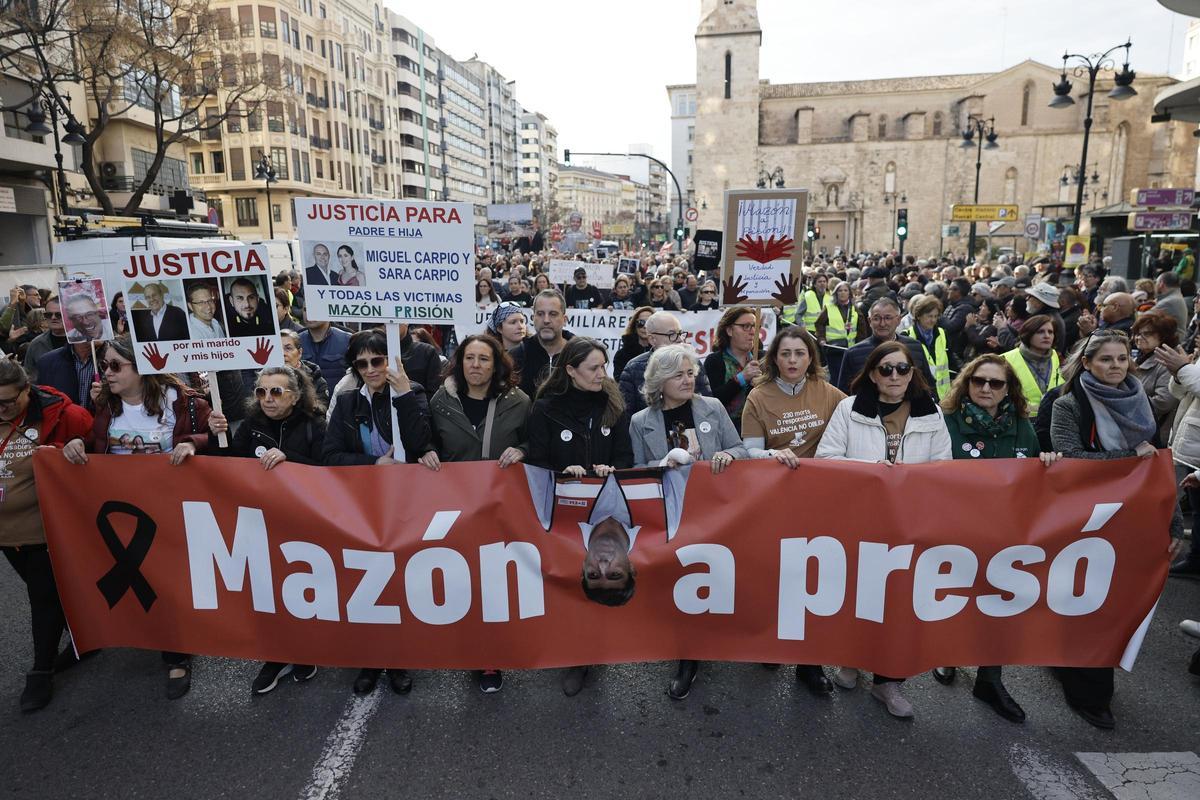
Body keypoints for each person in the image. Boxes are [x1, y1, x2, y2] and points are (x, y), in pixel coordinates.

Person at [61, 335, 211, 700]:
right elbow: (92, 442)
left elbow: (213, 438)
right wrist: (76, 443)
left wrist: (193, 442)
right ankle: (100, 634)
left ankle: (176, 653)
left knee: (169, 579)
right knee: (125, 574)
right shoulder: (104, 407)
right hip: (121, 510)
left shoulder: (183, 402)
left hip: (170, 508)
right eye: (105, 366)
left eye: (116, 366)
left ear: (142, 368)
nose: (107, 374)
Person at [1050, 329, 1181, 728]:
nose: (1115, 367)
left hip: (1131, 522)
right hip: (1083, 521)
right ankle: (1089, 693)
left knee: (1112, 604)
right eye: (1105, 359)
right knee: (1081, 599)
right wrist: (1130, 457)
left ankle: (1081, 671)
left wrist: (1172, 522)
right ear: (1087, 363)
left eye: (1122, 359)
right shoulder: (1068, 404)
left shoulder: (1138, 401)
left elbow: (1158, 467)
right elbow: (1072, 459)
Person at [816, 340, 953, 718]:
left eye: (902, 369)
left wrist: (909, 482)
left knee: (898, 605)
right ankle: (850, 661)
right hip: (861, 521)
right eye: (886, 369)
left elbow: (944, 469)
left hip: (909, 525)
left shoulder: (931, 413)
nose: (895, 376)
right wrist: (872, 473)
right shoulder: (849, 408)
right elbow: (826, 459)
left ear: (913, 374)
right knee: (858, 596)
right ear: (873, 375)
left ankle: (889, 682)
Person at [933, 354, 1062, 723]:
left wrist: (1048, 462)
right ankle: (946, 654)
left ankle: (990, 679)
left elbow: (1035, 479)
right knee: (954, 599)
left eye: (996, 383)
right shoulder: (945, 423)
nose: (986, 388)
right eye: (979, 381)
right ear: (967, 383)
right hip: (954, 532)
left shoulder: (1022, 427)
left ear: (1009, 389)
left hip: (1004, 536)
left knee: (998, 605)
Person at [323, 329, 433, 696]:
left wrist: (402, 394)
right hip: (363, 507)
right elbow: (331, 455)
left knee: (399, 583)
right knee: (367, 583)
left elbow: (420, 444)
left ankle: (399, 658)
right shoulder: (346, 401)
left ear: (390, 360)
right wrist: (373, 464)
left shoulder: (413, 392)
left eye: (378, 360)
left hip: (405, 506)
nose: (371, 369)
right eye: (362, 363)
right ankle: (370, 659)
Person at [418, 334, 530, 693]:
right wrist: (427, 450)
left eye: (484, 359)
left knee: (496, 583)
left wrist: (523, 450)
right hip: (456, 508)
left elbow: (534, 441)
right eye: (469, 358)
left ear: (497, 365)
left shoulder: (519, 402)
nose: (476, 365)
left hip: (502, 508)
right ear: (459, 362)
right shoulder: (441, 402)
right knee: (465, 581)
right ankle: (470, 647)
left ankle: (490, 658)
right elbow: (428, 438)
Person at [740, 326, 846, 698]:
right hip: (774, 501)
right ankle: (771, 644)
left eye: (800, 353)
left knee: (813, 580)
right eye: (785, 354)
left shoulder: (831, 395)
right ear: (774, 358)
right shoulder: (758, 396)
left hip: (820, 503)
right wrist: (772, 455)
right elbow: (749, 450)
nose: (792, 361)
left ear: (811, 357)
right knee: (776, 575)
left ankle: (810, 664)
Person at [208, 365, 326, 694]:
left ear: (296, 395)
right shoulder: (252, 425)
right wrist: (217, 436)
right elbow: (230, 465)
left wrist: (291, 460)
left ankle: (304, 653)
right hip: (259, 523)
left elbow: (329, 471)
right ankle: (275, 657)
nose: (267, 399)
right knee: (265, 591)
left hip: (301, 525)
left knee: (299, 590)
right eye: (261, 392)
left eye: (276, 392)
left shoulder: (315, 425)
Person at [525, 337, 633, 697]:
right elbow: (537, 460)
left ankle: (593, 651)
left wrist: (611, 468)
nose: (602, 374)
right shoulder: (545, 409)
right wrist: (562, 469)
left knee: (601, 582)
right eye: (593, 368)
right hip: (562, 514)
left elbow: (626, 458)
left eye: (604, 367)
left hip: (605, 513)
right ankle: (574, 655)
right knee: (570, 584)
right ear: (570, 370)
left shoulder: (614, 405)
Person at [0, 358, 93, 712]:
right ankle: (87, 633)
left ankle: (40, 672)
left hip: (45, 529)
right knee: (49, 592)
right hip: (8, 535)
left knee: (42, 597)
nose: (3, 409)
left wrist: (72, 445)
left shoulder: (59, 414)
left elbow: (90, 437)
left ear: (27, 391)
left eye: (8, 401)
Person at [618, 311, 711, 416]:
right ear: (652, 339)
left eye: (680, 333)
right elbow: (626, 415)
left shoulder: (693, 362)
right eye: (672, 334)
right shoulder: (633, 368)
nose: (680, 339)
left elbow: (706, 404)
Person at [835, 298, 934, 394]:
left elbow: (927, 385)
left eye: (888, 318)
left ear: (899, 320)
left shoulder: (914, 347)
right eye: (877, 318)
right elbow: (844, 392)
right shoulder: (854, 353)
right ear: (869, 321)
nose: (882, 324)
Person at [703, 305, 761, 433]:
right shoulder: (715, 361)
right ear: (729, 330)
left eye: (755, 326)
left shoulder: (763, 358)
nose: (752, 331)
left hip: (759, 429)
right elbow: (713, 400)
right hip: (726, 431)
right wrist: (742, 378)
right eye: (746, 326)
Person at [511, 289, 573, 399]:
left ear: (564, 319)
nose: (546, 320)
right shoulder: (517, 355)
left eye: (553, 314)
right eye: (540, 314)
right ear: (533, 318)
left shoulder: (580, 354)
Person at [1130, 312, 1180, 445]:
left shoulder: (1167, 362)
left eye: (1146, 334)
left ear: (1163, 336)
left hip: (1153, 435)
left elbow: (1164, 402)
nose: (1138, 338)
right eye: (1137, 333)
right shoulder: (1140, 357)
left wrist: (1127, 403)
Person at [1001, 314, 1062, 415]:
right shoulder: (1005, 359)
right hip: (1018, 422)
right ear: (1028, 334)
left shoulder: (1054, 355)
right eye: (1040, 332)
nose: (1047, 336)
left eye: (1050, 332)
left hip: (1049, 421)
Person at [905, 295, 951, 400]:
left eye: (936, 316)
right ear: (918, 316)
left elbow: (951, 360)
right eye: (929, 316)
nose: (933, 320)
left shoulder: (942, 333)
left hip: (944, 395)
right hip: (920, 395)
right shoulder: (907, 336)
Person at [300, 319, 352, 401]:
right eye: (305, 309)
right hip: (305, 406)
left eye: (315, 309)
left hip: (339, 405)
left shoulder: (347, 339)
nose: (309, 314)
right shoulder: (296, 341)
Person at [22, 297, 67, 381]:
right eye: (48, 315)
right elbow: (29, 375)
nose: (53, 318)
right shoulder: (36, 344)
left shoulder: (80, 341)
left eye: (59, 314)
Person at [1153, 270, 1189, 336]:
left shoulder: (1169, 302)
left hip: (1170, 343)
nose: (1154, 285)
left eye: (1156, 282)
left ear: (1161, 284)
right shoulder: (1175, 297)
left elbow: (1143, 319)